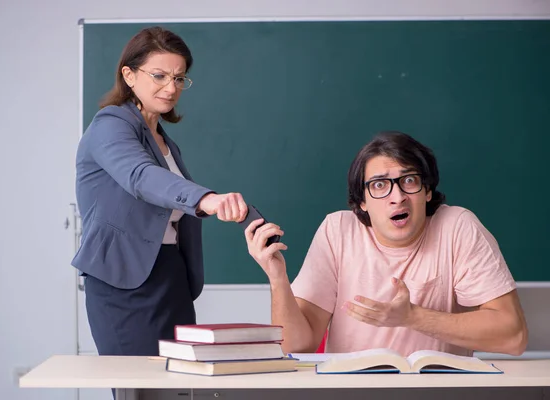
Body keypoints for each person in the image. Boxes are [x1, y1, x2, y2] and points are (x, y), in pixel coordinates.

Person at [245, 131, 528, 357]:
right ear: (362, 201)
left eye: (409, 180)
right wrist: (277, 277)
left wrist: (413, 317)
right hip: (352, 393)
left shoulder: (457, 226)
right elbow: (295, 347)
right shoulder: (337, 230)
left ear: (427, 191)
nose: (398, 197)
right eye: (379, 185)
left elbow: (513, 337)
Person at [72, 26, 249, 359]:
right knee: (141, 390)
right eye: (159, 75)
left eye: (179, 79)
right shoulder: (110, 124)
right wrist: (205, 199)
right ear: (129, 74)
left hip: (171, 276)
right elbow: (141, 177)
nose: (171, 88)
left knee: (182, 388)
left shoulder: (165, 140)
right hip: (124, 281)